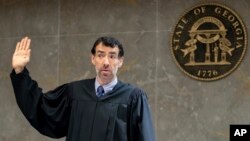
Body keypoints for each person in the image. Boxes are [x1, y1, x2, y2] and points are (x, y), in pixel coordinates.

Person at [10, 36, 156, 141]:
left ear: (120, 61)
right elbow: (41, 108)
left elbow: (145, 137)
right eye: (100, 55)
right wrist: (19, 71)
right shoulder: (74, 92)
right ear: (93, 59)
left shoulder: (133, 97)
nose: (106, 62)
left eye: (112, 56)